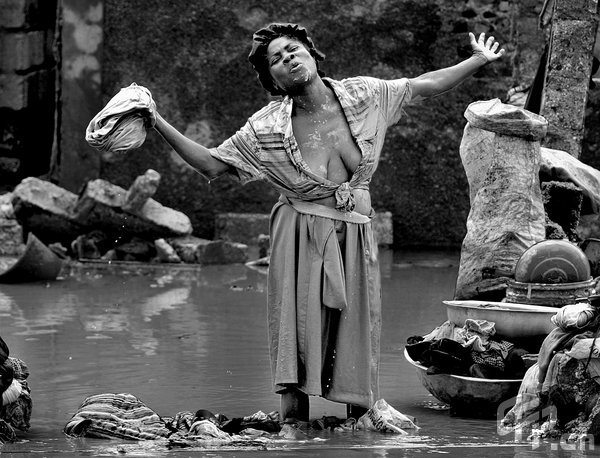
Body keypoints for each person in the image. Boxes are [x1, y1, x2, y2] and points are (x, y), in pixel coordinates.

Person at [153, 23, 505, 422]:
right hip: (300, 232)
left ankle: (360, 422)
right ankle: (294, 428)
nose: (287, 59)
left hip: (355, 231)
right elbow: (212, 164)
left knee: (357, 327)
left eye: (292, 50)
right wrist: (156, 119)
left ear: (311, 53)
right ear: (272, 79)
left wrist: (477, 60)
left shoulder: (364, 95)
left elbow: (424, 85)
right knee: (297, 330)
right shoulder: (265, 128)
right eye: (276, 60)